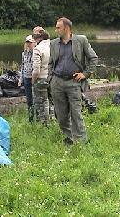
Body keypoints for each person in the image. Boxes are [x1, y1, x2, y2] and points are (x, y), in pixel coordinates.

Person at [49, 17, 98, 145]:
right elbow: (50, 63)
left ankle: (81, 141)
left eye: (58, 27)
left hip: (73, 82)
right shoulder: (53, 43)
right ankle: (68, 138)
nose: (56, 30)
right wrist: (50, 79)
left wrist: (85, 74)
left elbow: (93, 58)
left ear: (66, 28)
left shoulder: (81, 40)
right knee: (61, 114)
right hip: (57, 82)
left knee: (76, 113)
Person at [31, 27, 51, 124]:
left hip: (41, 79)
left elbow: (36, 70)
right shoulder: (53, 45)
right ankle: (53, 121)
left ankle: (43, 125)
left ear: (37, 38)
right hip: (52, 78)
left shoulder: (37, 49)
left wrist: (33, 80)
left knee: (41, 104)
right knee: (52, 102)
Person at [18, 35, 35, 119]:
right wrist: (20, 79)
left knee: (35, 98)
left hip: (34, 78)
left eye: (30, 42)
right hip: (26, 77)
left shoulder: (36, 52)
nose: (28, 44)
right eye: (27, 42)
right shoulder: (23, 53)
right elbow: (23, 66)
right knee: (29, 100)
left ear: (34, 43)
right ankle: (31, 118)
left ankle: (38, 116)